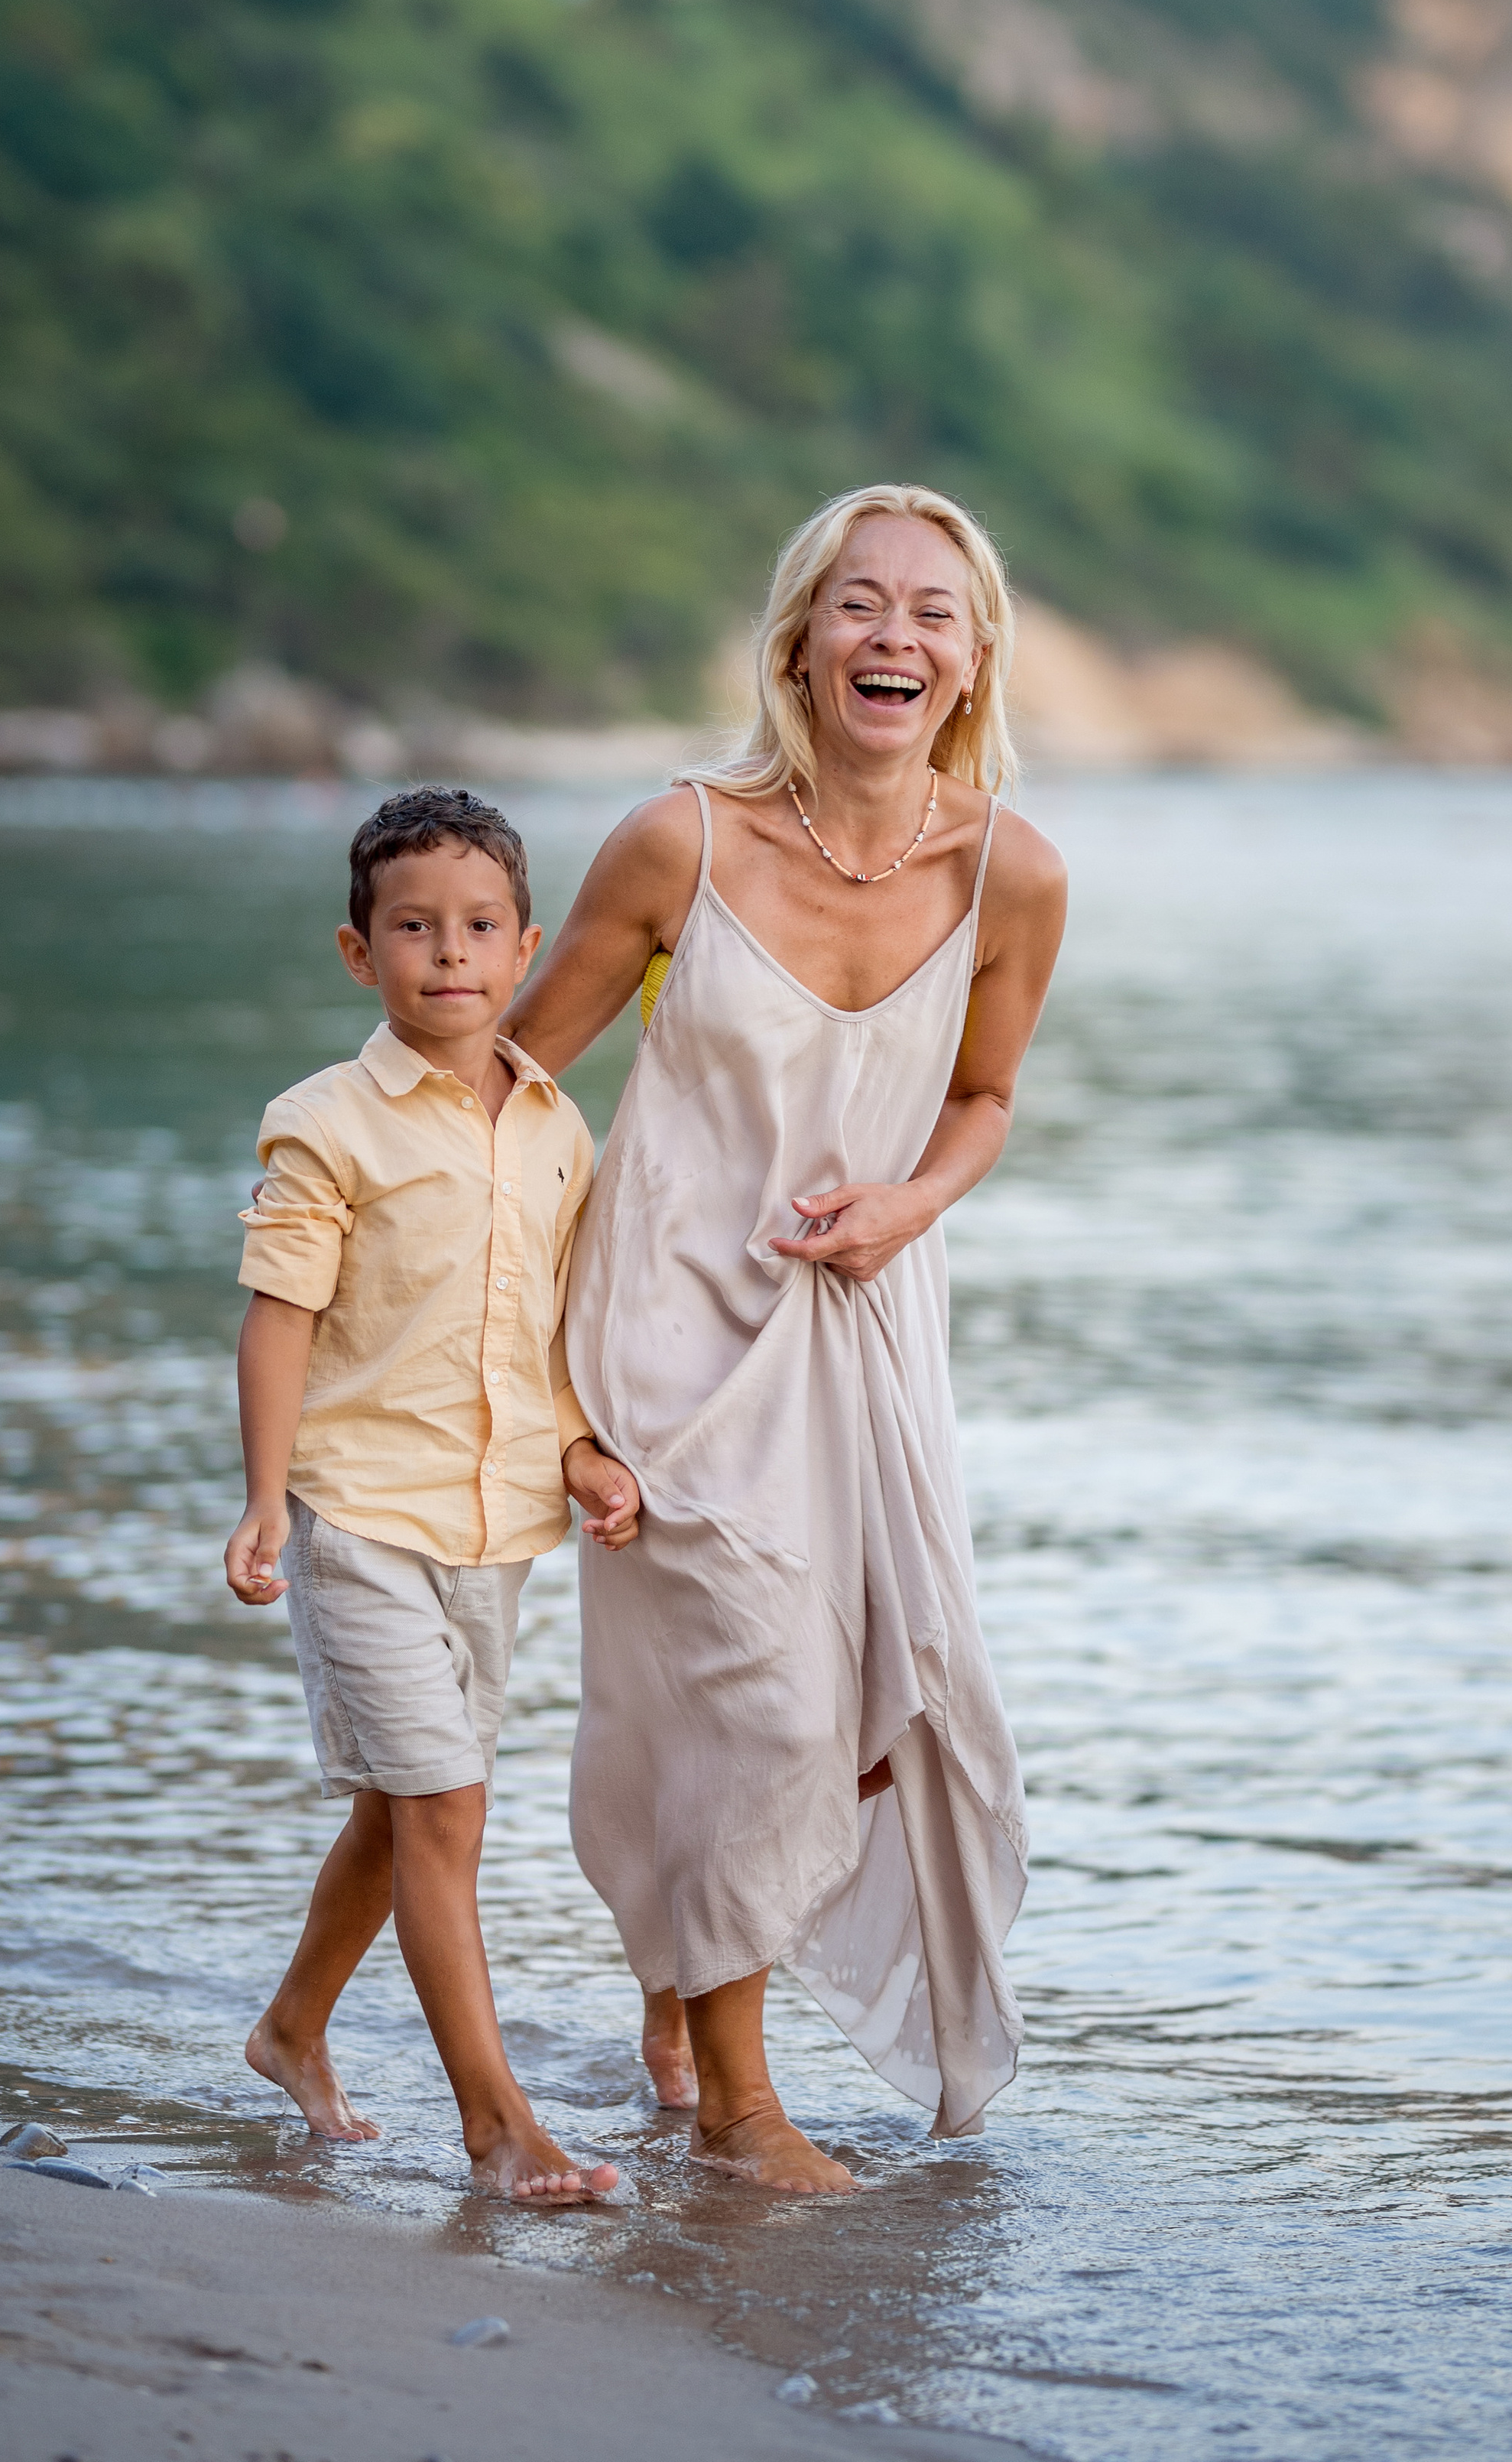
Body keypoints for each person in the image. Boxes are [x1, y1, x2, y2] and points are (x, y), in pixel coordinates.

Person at [505, 484, 1068, 2193]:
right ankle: (746, 2114)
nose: (892, 635)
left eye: (931, 612)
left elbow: (980, 1100)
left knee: (864, 1712)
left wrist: (912, 1204)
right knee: (752, 1696)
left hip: (870, 1333)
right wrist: (481, 1336)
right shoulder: (679, 842)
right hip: (669, 1323)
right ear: (799, 641)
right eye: (858, 604)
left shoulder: (1011, 872)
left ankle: (685, 1997)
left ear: (970, 663)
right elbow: (514, 1083)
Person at [223, 786, 639, 2201]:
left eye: (476, 928)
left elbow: (555, 1320)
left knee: (403, 1812)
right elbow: (278, 1315)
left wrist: (582, 1444)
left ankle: (291, 2029)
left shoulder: (555, 1128)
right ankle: (500, 2126)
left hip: (497, 1522)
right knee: (448, 1810)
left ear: (526, 948)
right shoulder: (324, 1123)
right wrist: (266, 1498)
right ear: (361, 954)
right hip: (358, 1515)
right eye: (413, 928)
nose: (447, 955)